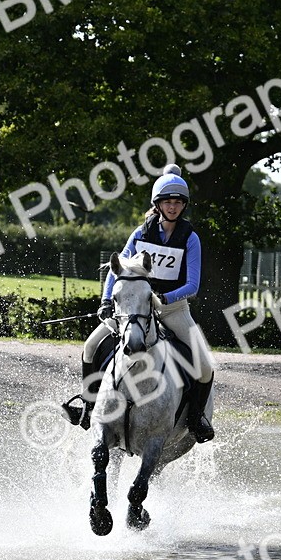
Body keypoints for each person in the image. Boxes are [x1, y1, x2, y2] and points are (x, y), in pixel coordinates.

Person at [65, 164, 215, 443]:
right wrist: (106, 301)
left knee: (205, 366)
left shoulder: (190, 238)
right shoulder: (141, 233)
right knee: (90, 346)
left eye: (178, 202)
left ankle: (195, 418)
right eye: (167, 202)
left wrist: (163, 299)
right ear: (158, 204)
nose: (173, 207)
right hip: (134, 308)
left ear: (184, 205)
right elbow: (117, 270)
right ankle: (88, 406)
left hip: (173, 309)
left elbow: (192, 285)